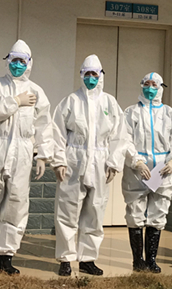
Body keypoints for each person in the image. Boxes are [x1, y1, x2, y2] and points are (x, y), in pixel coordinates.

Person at [0, 40, 53, 276]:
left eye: (22, 61)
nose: (18, 65)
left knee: (16, 204)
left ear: (29, 63)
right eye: (14, 60)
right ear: (7, 61)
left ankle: (6, 258)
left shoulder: (37, 91)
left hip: (23, 152)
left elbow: (44, 124)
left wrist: (43, 154)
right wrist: (15, 102)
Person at [52, 55, 128, 277]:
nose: (91, 78)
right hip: (74, 161)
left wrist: (114, 163)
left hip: (100, 162)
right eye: (87, 74)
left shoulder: (110, 103)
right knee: (67, 211)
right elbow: (57, 132)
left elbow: (120, 136)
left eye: (95, 74)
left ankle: (87, 259)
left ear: (101, 75)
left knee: (95, 212)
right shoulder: (71, 101)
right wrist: (59, 160)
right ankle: (66, 259)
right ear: (81, 75)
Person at [122, 72, 172, 273]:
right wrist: (136, 162)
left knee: (158, 215)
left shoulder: (170, 114)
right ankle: (137, 260)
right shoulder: (131, 113)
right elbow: (124, 139)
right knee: (135, 215)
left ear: (161, 88)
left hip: (162, 171)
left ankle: (152, 260)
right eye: (146, 84)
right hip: (137, 171)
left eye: (154, 84)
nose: (150, 88)